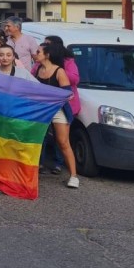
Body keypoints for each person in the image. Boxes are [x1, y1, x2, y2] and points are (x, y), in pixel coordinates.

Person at [32, 42, 79, 189]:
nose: (35, 54)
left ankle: (73, 176)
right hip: (41, 110)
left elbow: (67, 94)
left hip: (58, 109)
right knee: (36, 140)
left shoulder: (59, 71)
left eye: (38, 52)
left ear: (47, 55)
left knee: (63, 142)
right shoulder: (37, 69)